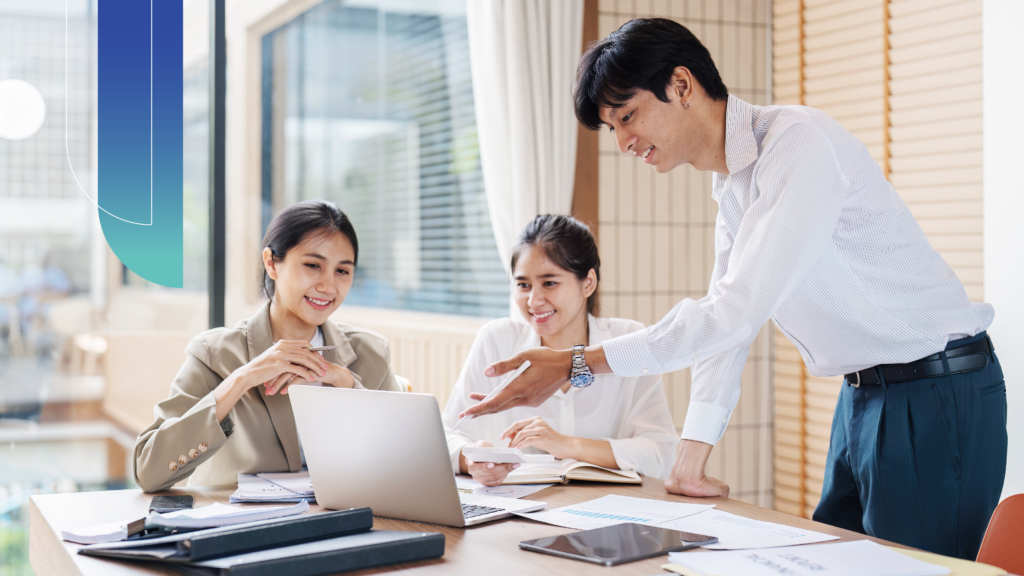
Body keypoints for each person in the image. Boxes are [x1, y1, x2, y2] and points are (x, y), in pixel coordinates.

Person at [459, 18, 1005, 560]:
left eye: (628, 116)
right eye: (613, 128)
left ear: (681, 85)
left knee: (912, 570)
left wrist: (577, 361)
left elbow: (735, 314)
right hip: (865, 393)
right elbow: (726, 330)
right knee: (834, 561)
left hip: (934, 387)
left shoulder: (798, 144)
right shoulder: (735, 186)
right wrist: (690, 459)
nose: (624, 141)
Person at [133, 200, 403, 492]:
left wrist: (347, 384)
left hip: (344, 526)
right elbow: (148, 471)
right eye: (313, 265)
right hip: (242, 531)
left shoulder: (370, 353)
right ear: (272, 263)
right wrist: (241, 378)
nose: (328, 286)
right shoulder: (216, 354)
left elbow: (406, 459)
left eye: (342, 271)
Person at [443, 215, 677, 486]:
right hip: (517, 513)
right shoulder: (497, 340)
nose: (534, 301)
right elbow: (446, 434)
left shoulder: (627, 341)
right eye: (523, 285)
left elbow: (661, 453)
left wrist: (566, 445)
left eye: (549, 282)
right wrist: (472, 460)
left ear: (588, 283)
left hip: (604, 509)